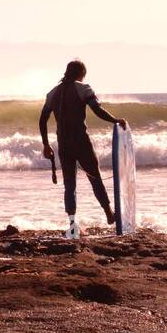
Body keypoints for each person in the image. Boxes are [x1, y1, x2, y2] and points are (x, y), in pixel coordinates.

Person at [39, 60, 127, 237]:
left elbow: (42, 119)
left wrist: (46, 144)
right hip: (81, 142)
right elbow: (97, 110)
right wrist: (116, 120)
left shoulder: (52, 93)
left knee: (69, 184)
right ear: (81, 73)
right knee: (95, 177)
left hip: (63, 144)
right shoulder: (83, 88)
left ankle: (72, 225)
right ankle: (109, 214)